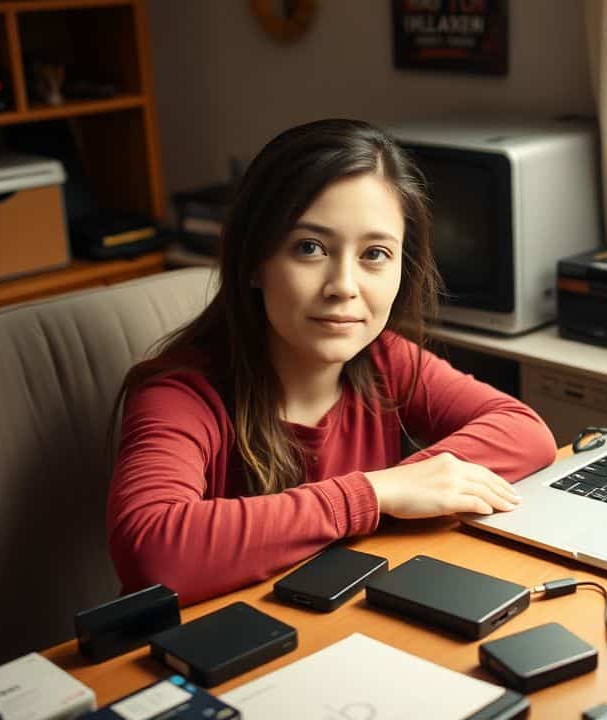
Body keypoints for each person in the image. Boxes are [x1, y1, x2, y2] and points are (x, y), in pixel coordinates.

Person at [107, 118, 557, 606]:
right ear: (255, 259)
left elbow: (524, 430)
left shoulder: (385, 361)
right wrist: (374, 494)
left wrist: (406, 486)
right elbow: (152, 551)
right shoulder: (179, 393)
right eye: (310, 248)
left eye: (375, 254)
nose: (343, 285)